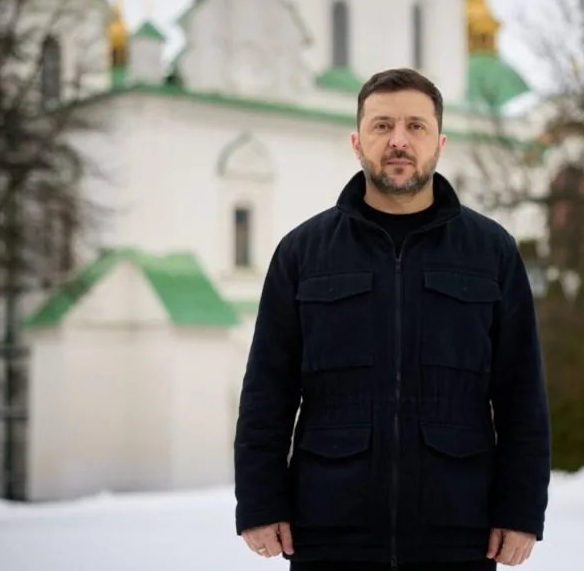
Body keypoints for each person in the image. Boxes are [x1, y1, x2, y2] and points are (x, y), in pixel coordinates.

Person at [233, 68, 551, 570]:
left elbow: (522, 396)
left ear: (439, 143)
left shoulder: (491, 252)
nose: (398, 140)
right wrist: (260, 502)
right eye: (382, 126)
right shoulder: (303, 253)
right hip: (330, 531)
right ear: (357, 142)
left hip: (458, 533)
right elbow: (267, 392)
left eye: (415, 126)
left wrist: (521, 509)